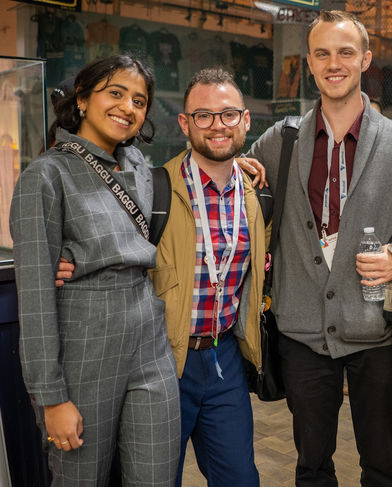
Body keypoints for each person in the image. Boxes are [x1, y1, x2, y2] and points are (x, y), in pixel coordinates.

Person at [246, 10, 392, 486]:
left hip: (375, 329)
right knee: (311, 466)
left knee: (382, 467)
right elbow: (240, 185)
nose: (334, 63)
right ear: (309, 62)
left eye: (346, 52)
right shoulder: (278, 142)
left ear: (365, 59)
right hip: (301, 329)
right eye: (322, 53)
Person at [10, 55, 180, 485]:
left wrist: (245, 165)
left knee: (158, 475)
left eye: (139, 101)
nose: (128, 107)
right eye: (116, 93)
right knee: (80, 479)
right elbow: (34, 297)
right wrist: (51, 398)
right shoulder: (46, 176)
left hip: (150, 338)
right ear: (82, 100)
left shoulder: (140, 167)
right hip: (84, 342)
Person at [150, 67, 264, 486]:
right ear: (185, 123)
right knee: (158, 479)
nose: (218, 125)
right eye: (204, 115)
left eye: (228, 114)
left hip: (224, 360)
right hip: (164, 364)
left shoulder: (256, 194)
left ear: (245, 120)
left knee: (240, 478)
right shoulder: (154, 189)